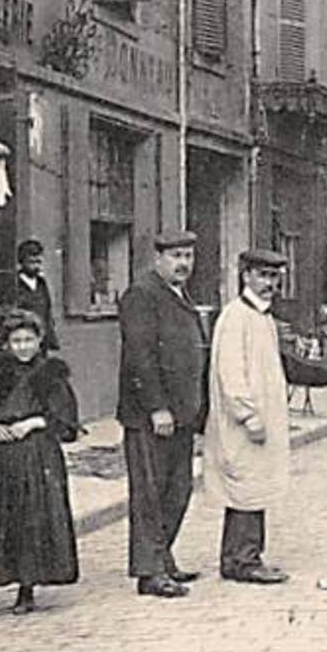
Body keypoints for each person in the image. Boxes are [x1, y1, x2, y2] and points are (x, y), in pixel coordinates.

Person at [0, 310, 80, 619]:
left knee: (30, 520)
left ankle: (26, 589)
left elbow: (67, 423)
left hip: (37, 456)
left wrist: (36, 422)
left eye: (28, 340)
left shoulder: (51, 374)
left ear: (39, 341)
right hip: (2, 458)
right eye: (16, 341)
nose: (22, 347)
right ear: (7, 344)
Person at [118, 230, 209, 599]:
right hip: (151, 417)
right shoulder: (142, 294)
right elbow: (140, 356)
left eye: (188, 255)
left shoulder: (177, 293)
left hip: (181, 414)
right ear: (158, 259)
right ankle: (149, 571)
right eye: (175, 256)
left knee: (178, 490)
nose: (183, 263)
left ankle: (163, 557)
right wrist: (157, 406)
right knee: (151, 494)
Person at [202, 250, 293, 585]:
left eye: (274, 277)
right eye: (263, 276)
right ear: (246, 277)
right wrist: (248, 415)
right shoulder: (235, 317)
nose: (270, 284)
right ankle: (243, 559)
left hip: (261, 419)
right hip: (244, 423)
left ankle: (238, 557)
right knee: (246, 486)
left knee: (255, 485)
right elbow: (231, 373)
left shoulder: (263, 317)